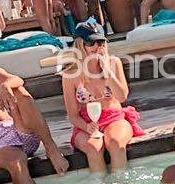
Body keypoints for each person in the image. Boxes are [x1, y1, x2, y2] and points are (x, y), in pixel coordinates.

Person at [0, 57, 68, 184]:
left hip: (17, 128)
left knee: (18, 90)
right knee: (17, 161)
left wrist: (5, 85)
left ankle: (51, 149)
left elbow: (17, 79)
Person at [61, 22, 145, 172]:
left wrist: (107, 71)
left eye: (100, 42)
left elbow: (121, 97)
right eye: (91, 43)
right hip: (86, 122)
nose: (96, 47)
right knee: (94, 148)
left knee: (115, 144)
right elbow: (73, 116)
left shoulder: (114, 62)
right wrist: (87, 127)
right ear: (80, 45)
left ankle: (122, 183)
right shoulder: (70, 75)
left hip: (114, 118)